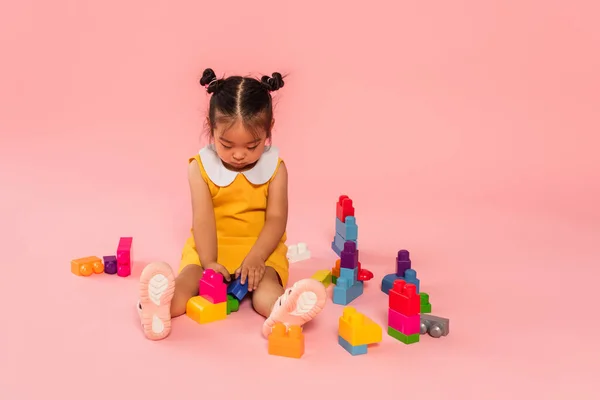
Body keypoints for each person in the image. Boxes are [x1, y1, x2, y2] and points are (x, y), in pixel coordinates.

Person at [136, 68, 327, 340]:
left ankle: (284, 312)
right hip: (210, 245)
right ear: (211, 128)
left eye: (252, 146)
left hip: (261, 248)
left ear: (269, 131)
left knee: (264, 292)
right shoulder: (200, 168)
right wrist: (209, 261)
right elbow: (203, 219)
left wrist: (257, 258)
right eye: (226, 145)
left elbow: (275, 219)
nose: (239, 155)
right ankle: (156, 306)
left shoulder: (276, 169)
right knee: (189, 281)